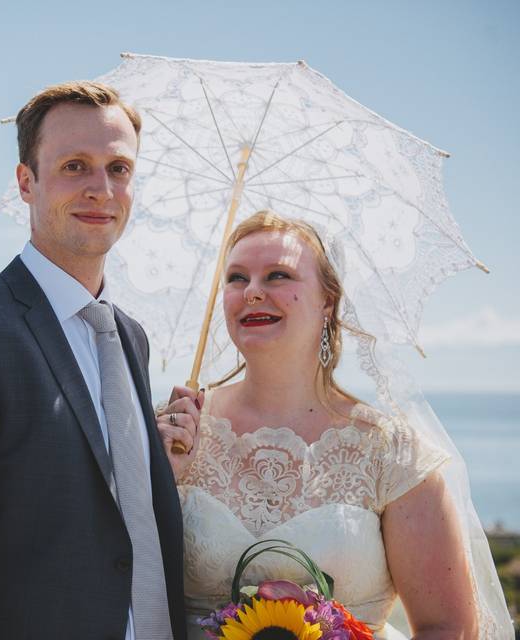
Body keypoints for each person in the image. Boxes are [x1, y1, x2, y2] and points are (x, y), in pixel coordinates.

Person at [0, 81, 186, 639]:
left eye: (119, 168)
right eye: (75, 166)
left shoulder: (130, 338)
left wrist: (157, 471)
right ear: (26, 182)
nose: (102, 188)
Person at [156, 210, 512, 639]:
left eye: (277, 275)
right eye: (235, 278)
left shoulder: (391, 453)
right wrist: (156, 479)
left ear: (328, 299)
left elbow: (448, 628)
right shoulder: (171, 435)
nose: (251, 292)